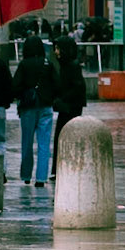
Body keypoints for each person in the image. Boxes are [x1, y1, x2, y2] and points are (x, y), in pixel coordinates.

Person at [11, 33, 58, 188]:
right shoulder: (47, 63)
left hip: (28, 108)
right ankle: (41, 178)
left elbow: (15, 86)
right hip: (45, 106)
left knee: (27, 142)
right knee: (44, 144)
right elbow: (56, 84)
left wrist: (23, 94)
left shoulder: (24, 64)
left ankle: (26, 175)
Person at [51, 35, 87, 177]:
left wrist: (62, 98)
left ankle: (61, 168)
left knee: (64, 136)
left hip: (71, 107)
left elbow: (77, 87)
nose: (56, 52)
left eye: (58, 48)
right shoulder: (66, 64)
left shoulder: (72, 65)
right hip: (68, 105)